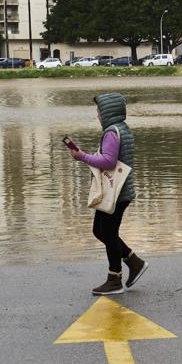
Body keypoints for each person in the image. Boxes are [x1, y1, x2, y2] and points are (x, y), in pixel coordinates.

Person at [69, 92, 147, 295]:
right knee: (100, 230)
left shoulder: (112, 132)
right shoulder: (123, 129)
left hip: (115, 192)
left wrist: (82, 156)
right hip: (119, 190)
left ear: (108, 112)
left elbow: (109, 162)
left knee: (109, 233)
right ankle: (133, 261)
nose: (98, 116)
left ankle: (115, 279)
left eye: (99, 112)